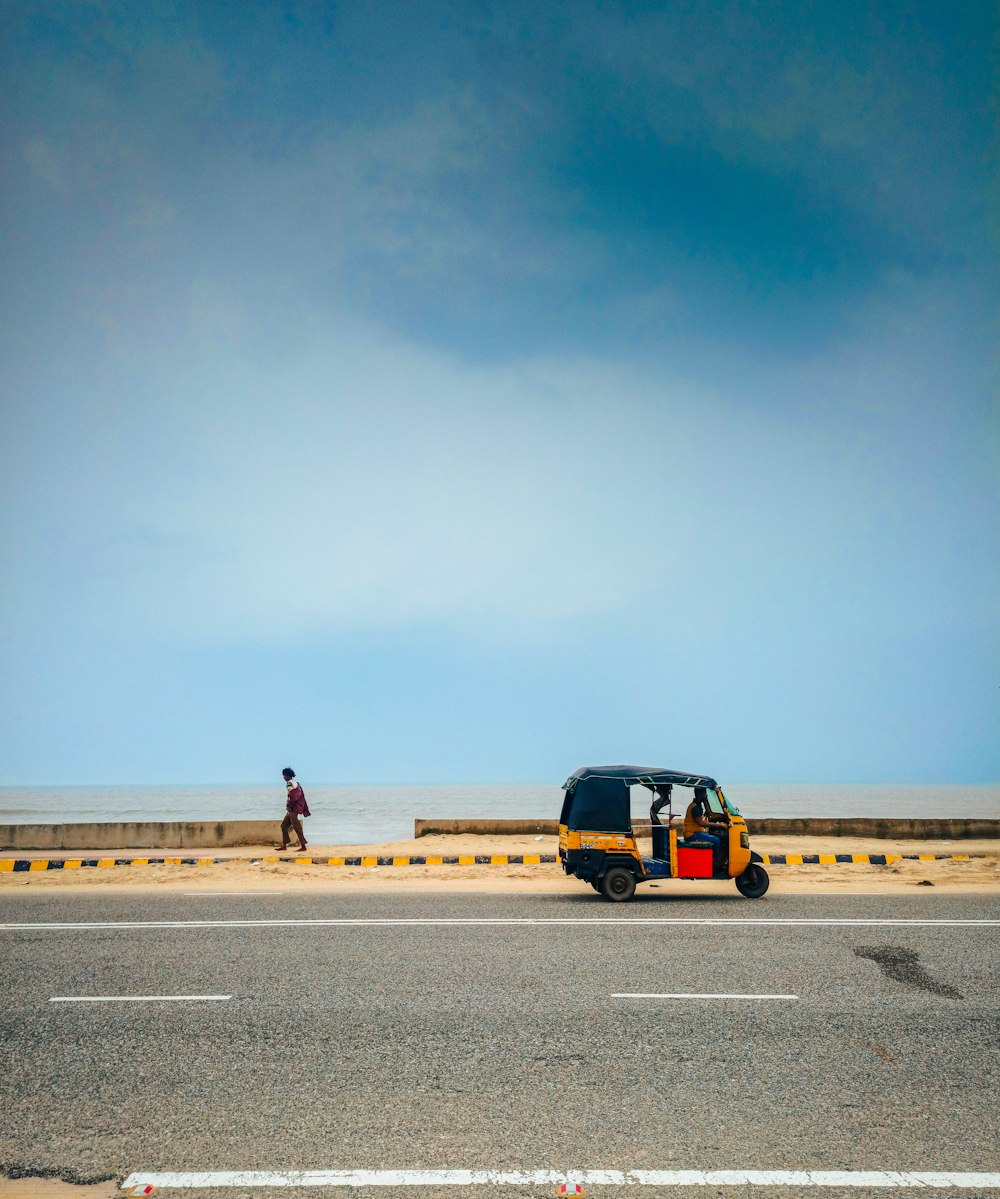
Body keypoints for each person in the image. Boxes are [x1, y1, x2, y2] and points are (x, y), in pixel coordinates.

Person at [682, 786, 727, 856]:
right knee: (716, 840)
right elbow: (701, 823)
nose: (706, 795)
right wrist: (719, 825)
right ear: (700, 794)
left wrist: (705, 801)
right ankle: (715, 862)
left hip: (695, 833)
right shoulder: (695, 807)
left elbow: (710, 813)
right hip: (691, 835)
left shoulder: (698, 804)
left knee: (715, 836)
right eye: (705, 793)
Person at [276, 767, 310, 852]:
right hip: (293, 808)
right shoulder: (296, 783)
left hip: (293, 809)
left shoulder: (289, 784)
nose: (283, 777)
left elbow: (292, 797)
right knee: (283, 826)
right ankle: (284, 845)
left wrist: (289, 805)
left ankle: (303, 846)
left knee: (297, 827)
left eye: (284, 776)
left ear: (287, 775)